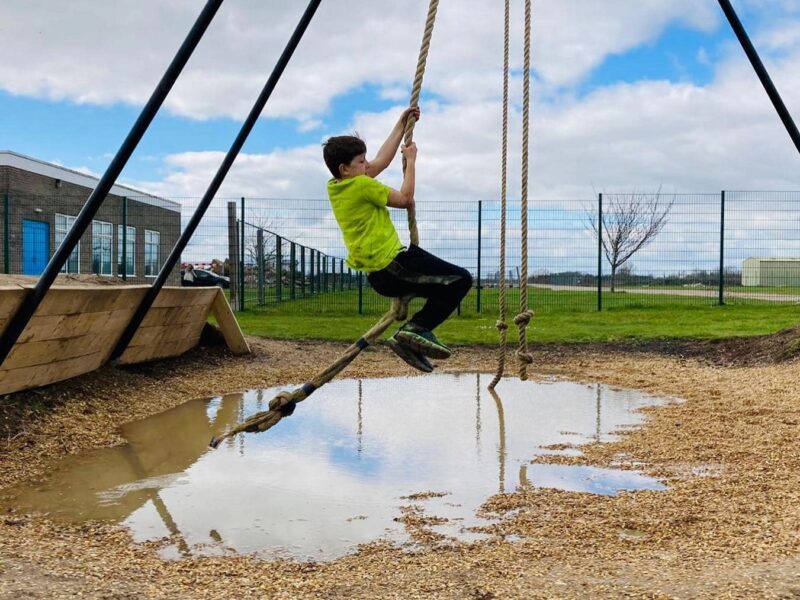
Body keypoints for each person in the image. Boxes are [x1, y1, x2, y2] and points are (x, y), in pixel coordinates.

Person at [323, 106, 472, 373]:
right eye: (361, 162)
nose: (367, 165)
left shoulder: (337, 187)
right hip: (394, 265)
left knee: (444, 286)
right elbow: (405, 200)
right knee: (461, 280)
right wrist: (412, 161)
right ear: (345, 168)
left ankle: (412, 339)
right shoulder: (362, 185)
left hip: (380, 274)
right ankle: (414, 331)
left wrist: (401, 125)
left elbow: (381, 161)